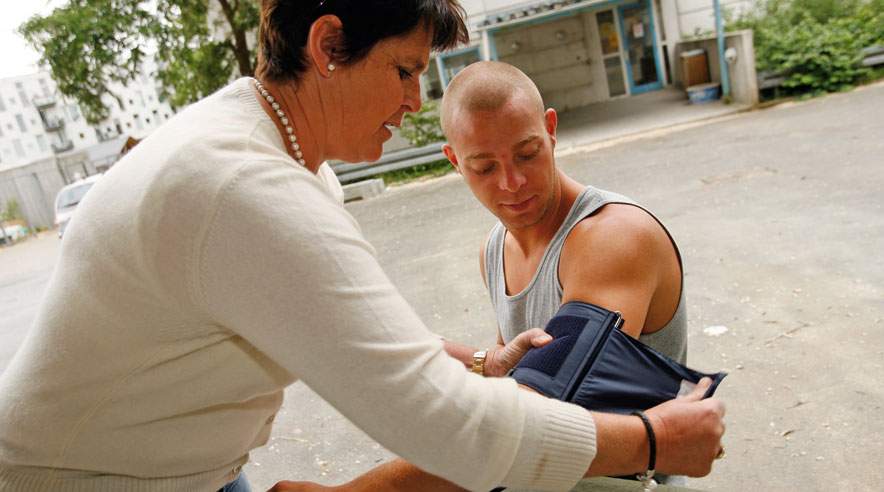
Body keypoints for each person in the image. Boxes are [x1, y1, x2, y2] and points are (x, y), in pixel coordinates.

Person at [0, 2, 724, 491]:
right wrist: (654, 444)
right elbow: (449, 425)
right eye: (404, 70)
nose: (413, 100)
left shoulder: (287, 163)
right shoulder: (240, 188)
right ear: (328, 46)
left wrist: (475, 360)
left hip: (180, 467)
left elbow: (354, 333)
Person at [268, 63, 721, 491]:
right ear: (453, 160)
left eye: (527, 154)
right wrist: (486, 362)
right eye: (484, 166)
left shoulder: (614, 238)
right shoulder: (493, 250)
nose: (511, 182)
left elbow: (528, 419)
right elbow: (511, 397)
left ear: (551, 129)